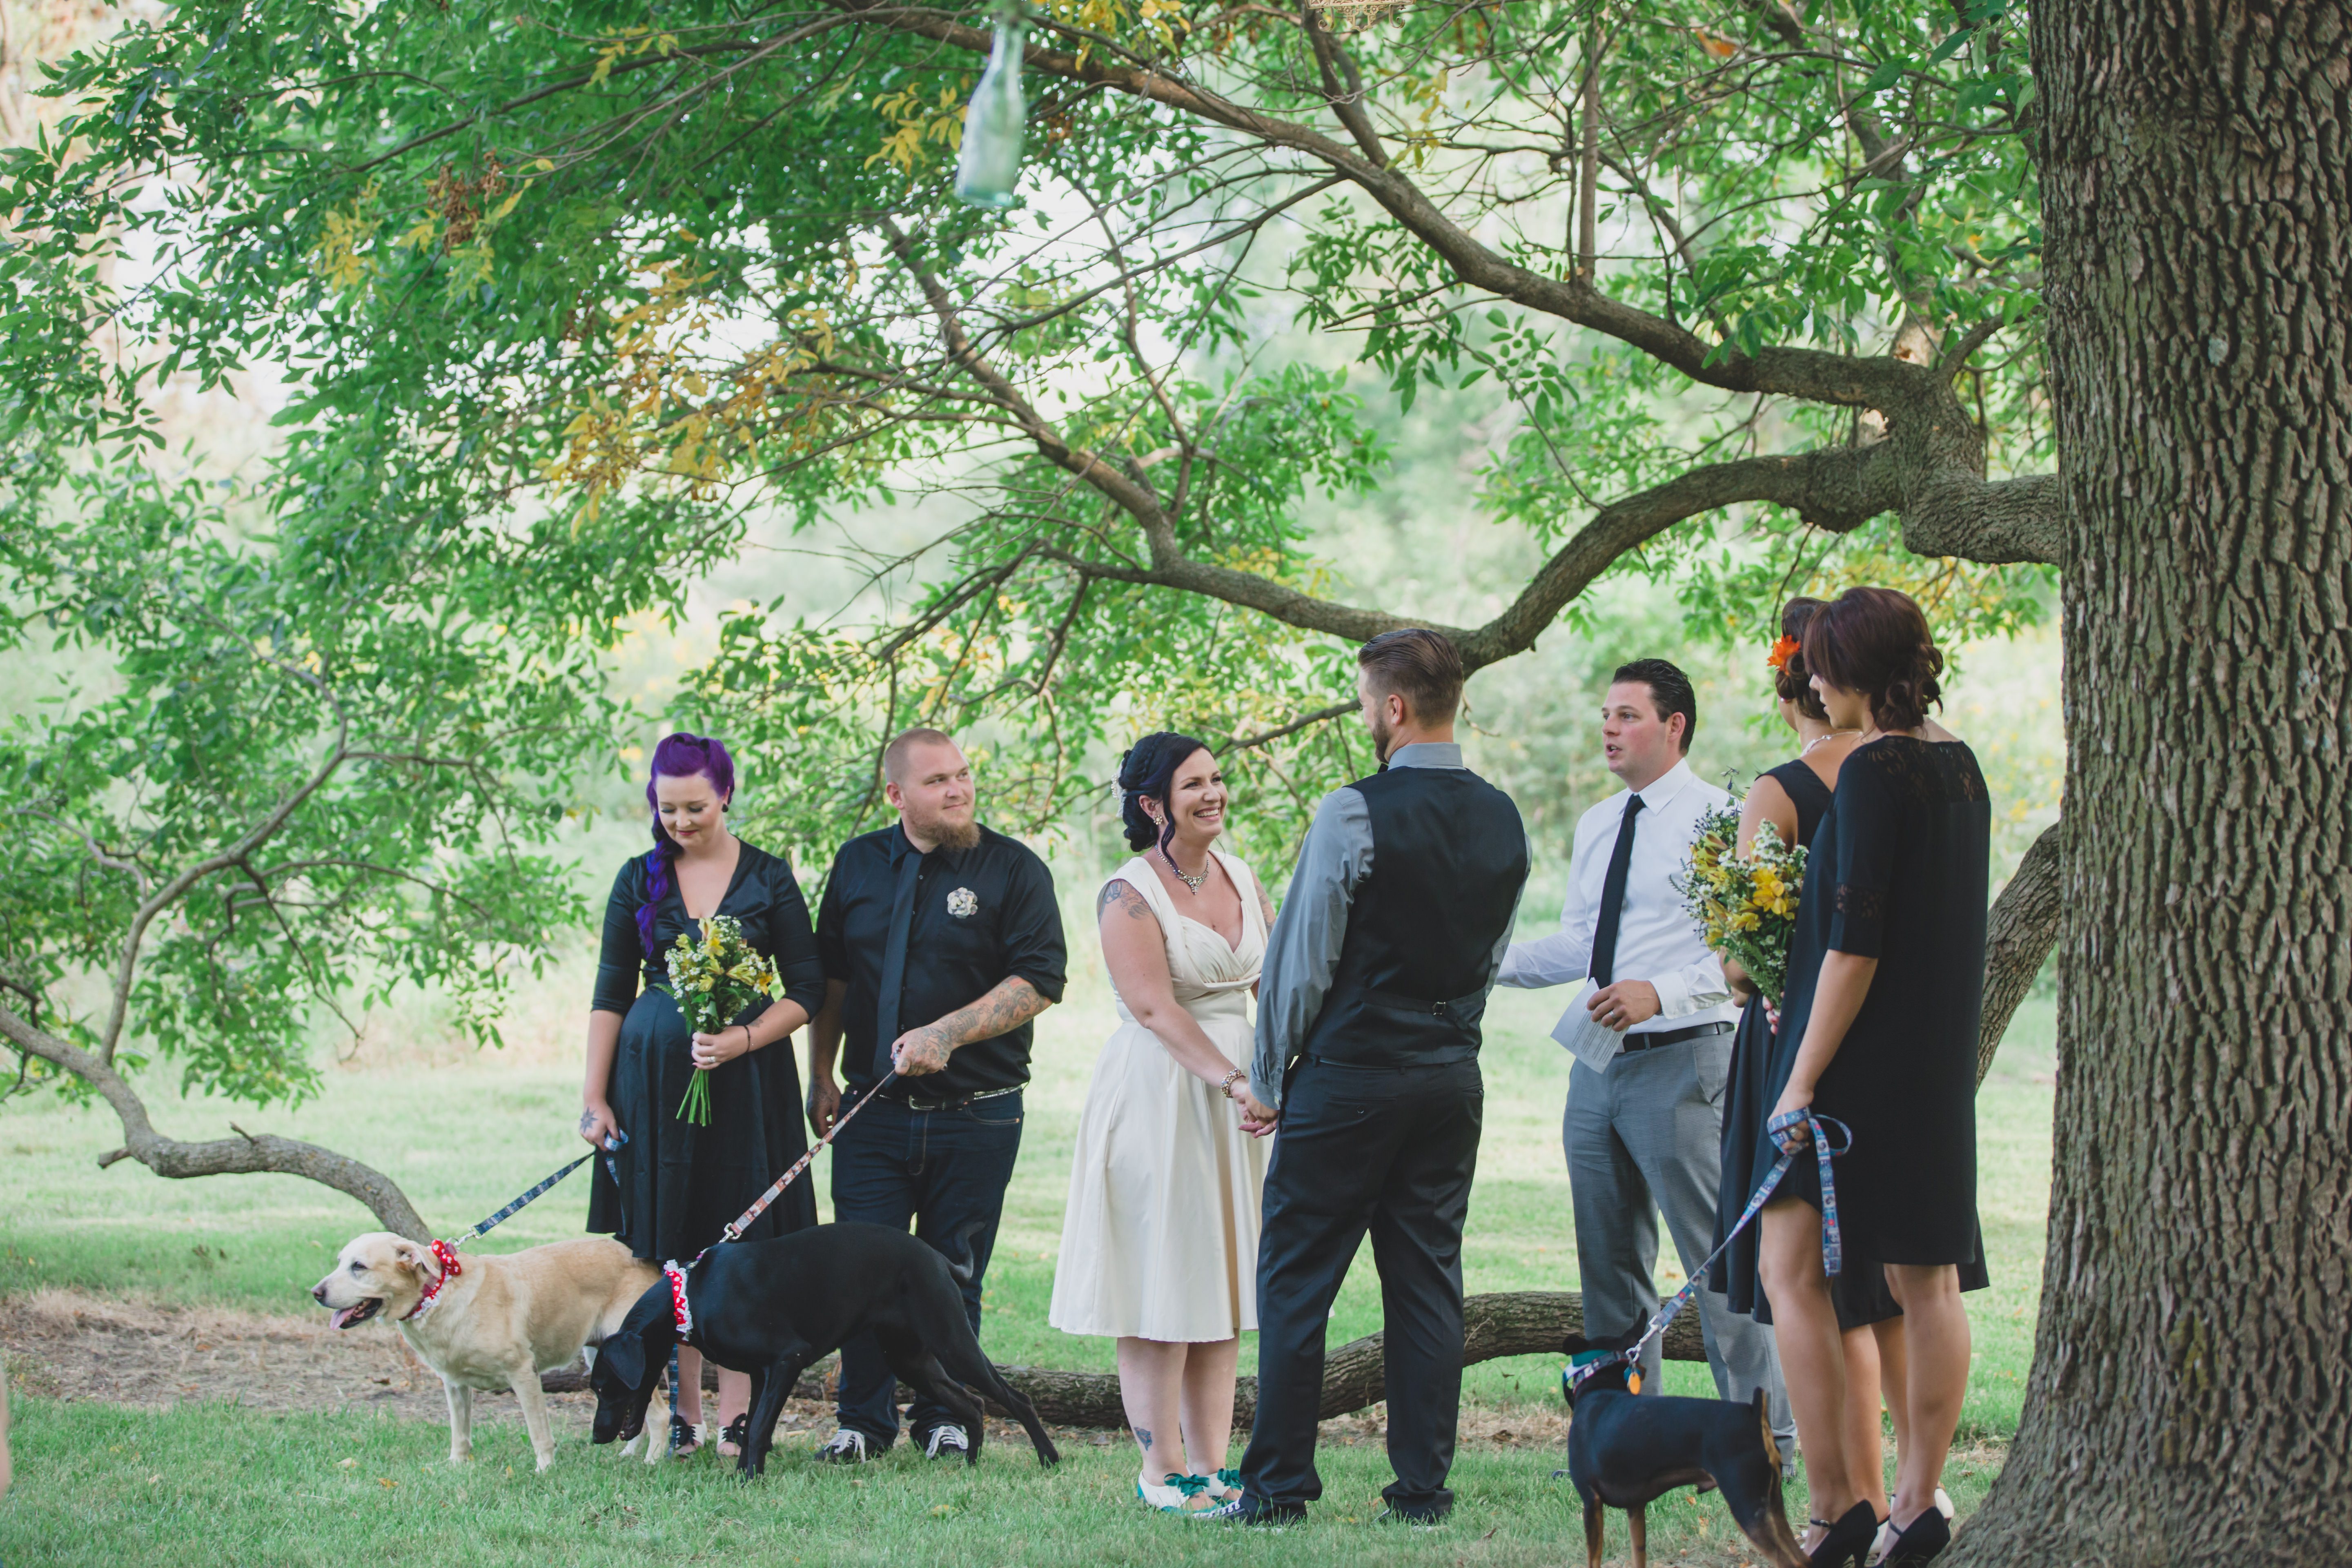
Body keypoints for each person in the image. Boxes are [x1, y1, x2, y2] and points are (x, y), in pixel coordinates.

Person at [1213, 628, 1529, 1526]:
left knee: (1297, 1282)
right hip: (1450, 1075)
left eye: (1364, 704)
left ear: (1394, 707)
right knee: (1428, 1284)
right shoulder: (1505, 816)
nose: (1364, 718)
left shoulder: (1354, 811)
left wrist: (1268, 1075)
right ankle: (1422, 1492)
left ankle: (1277, 1488)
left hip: (1351, 1075)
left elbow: (1302, 961)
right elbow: (1491, 954)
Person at [1713, 602, 1982, 1555]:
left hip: (1852, 1063)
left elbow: (1853, 945)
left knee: (1797, 1273)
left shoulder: (1873, 768)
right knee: (1926, 1281)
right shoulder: (1960, 763)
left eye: (1824, 668)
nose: (1813, 686)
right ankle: (1915, 1503)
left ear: (1861, 671)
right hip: (1934, 1060)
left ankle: (1843, 1505)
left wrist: (1800, 1080)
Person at [1495, 659, 1794, 1442]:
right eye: (1606, 715)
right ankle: (1630, 1440)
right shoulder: (1598, 823)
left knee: (1718, 1268)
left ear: (1674, 726)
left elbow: (1750, 952)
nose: (1609, 729)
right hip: (1597, 1064)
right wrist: (1480, 961)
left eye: (1627, 716)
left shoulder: (1725, 818)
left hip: (1687, 1064)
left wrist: (1660, 993)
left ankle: (1767, 1442)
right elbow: (1578, 943)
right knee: (1610, 1275)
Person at [805, 727, 1067, 1464]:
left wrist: (947, 1033)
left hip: (979, 1114)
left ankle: (946, 1418)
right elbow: (833, 979)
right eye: (937, 781)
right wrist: (819, 1074)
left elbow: (1040, 981)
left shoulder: (1015, 869)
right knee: (858, 1273)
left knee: (953, 1274)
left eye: (962, 774)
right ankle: (862, 1425)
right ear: (897, 795)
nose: (959, 790)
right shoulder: (857, 863)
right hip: (871, 1112)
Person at [581, 732, 826, 1460]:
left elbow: (807, 990)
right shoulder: (638, 878)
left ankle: (739, 1414)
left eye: (696, 807)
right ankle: (683, 1413)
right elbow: (610, 993)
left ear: (726, 795)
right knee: (669, 1245)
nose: (681, 822)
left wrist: (744, 1039)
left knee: (741, 1244)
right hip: (652, 1088)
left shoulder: (770, 877)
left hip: (750, 1086)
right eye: (668, 809)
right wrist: (594, 1098)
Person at [1049, 732, 1274, 1515]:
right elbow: (1153, 1007)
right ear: (1153, 805)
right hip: (1163, 1092)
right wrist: (1233, 1081)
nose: (1213, 794)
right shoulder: (1128, 893)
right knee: (1160, 1276)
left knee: (1222, 1276)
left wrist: (1280, 1073)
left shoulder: (1242, 875)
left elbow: (1274, 986)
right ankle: (1161, 1471)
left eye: (1217, 779)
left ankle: (1214, 1466)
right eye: (1193, 785)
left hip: (1243, 1102)